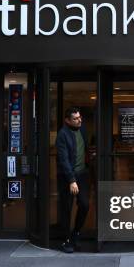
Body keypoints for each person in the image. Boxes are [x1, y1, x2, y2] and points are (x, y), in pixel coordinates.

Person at [55, 107, 90, 253]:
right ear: (67, 120)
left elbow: (84, 150)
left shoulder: (82, 130)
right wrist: (71, 180)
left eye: (80, 117)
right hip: (67, 177)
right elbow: (63, 160)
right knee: (66, 208)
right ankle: (66, 240)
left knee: (85, 204)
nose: (79, 120)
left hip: (81, 175)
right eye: (75, 118)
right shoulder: (62, 135)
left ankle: (75, 233)